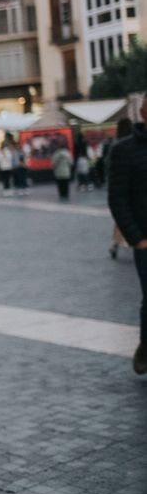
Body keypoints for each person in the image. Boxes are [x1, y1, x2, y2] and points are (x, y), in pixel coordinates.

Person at [108, 100, 147, 375]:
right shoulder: (124, 150)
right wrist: (137, 239)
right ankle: (146, 347)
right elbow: (117, 199)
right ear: (143, 112)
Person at [108, 118, 133, 259]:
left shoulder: (115, 145)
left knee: (122, 219)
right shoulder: (134, 143)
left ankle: (114, 244)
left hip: (121, 189)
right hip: (135, 188)